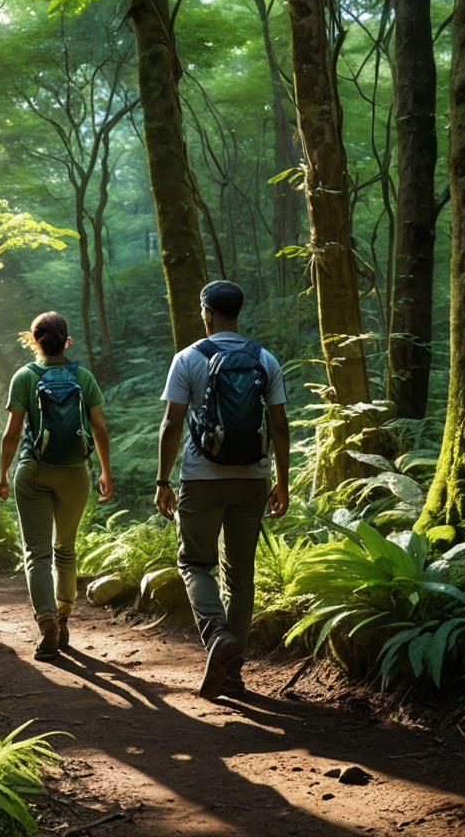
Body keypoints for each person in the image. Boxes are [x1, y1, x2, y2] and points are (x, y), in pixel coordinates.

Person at [154, 280, 290, 700]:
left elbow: (172, 423)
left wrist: (162, 480)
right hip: (253, 478)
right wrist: (282, 481)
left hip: (201, 478)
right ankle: (232, 673)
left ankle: (216, 636)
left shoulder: (188, 358)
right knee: (240, 575)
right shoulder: (265, 359)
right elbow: (280, 425)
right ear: (238, 312)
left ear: (207, 314)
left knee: (194, 563)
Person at [0, 312, 114, 661]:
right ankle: (63, 617)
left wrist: (2, 474)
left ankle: (47, 623)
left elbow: (12, 433)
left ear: (35, 340)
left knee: (37, 553)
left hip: (34, 470)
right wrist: (105, 472)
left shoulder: (25, 377)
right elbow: (99, 427)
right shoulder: (83, 377)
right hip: (75, 472)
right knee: (65, 549)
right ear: (67, 341)